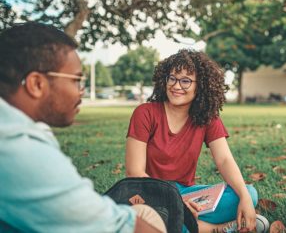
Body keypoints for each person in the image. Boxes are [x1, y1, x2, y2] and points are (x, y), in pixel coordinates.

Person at [0, 22, 166, 233]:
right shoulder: (18, 149)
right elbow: (120, 227)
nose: (81, 92)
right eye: (76, 80)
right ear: (37, 84)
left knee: (143, 212)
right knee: (147, 218)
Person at [125, 49, 269, 233]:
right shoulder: (145, 113)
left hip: (187, 194)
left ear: (200, 85)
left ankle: (185, 224)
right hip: (150, 194)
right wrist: (176, 203)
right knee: (152, 218)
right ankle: (218, 229)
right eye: (172, 78)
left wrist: (245, 199)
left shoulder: (207, 117)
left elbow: (224, 160)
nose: (176, 86)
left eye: (185, 80)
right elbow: (134, 172)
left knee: (249, 193)